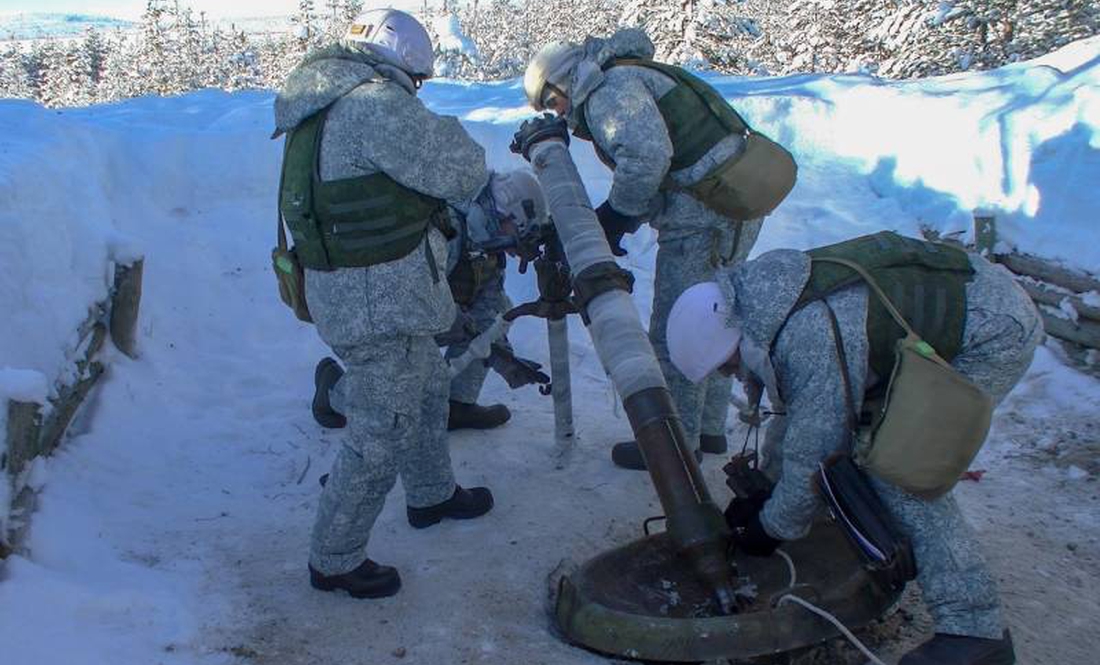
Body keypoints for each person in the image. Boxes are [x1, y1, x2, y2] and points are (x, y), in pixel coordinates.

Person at [665, 232, 1041, 665]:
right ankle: (873, 549)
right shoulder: (764, 301)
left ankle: (976, 634)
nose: (732, 375)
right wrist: (768, 487)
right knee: (865, 447)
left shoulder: (806, 333)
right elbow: (801, 412)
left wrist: (772, 526)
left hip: (991, 333)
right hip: (971, 306)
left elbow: (817, 447)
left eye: (728, 366)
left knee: (899, 470)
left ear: (731, 342)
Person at [273, 9, 494, 599]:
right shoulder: (373, 104)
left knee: (423, 386)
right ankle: (336, 558)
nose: (415, 91)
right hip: (377, 301)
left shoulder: (322, 101)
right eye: (417, 81)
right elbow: (464, 168)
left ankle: (430, 493)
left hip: (363, 290)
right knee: (382, 429)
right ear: (403, 64)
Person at [522, 28, 789, 470]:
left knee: (680, 330)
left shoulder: (609, 90)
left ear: (563, 82)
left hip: (701, 221)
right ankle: (707, 430)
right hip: (730, 206)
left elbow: (647, 158)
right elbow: (674, 161)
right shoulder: (628, 73)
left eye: (553, 102)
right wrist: (627, 217)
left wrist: (617, 214)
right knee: (722, 315)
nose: (560, 113)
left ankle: (676, 449)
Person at [311, 169, 553, 431]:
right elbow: (405, 301)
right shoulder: (443, 227)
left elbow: (488, 309)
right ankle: (333, 389)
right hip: (364, 316)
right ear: (501, 212)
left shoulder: (483, 240)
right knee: (396, 414)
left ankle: (456, 405)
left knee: (497, 313)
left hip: (414, 317)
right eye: (516, 233)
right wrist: (459, 324)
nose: (516, 251)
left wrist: (504, 359)